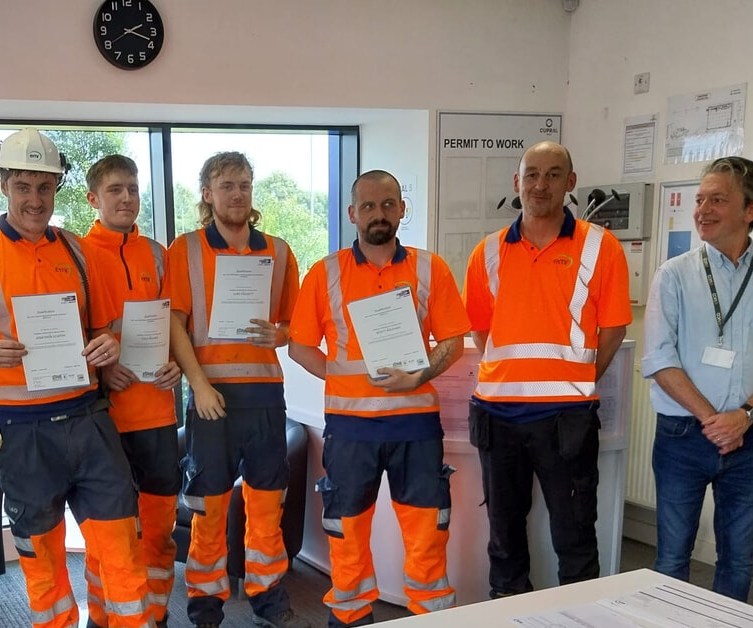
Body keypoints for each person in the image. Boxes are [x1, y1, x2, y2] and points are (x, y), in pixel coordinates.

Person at [0, 129, 152, 628]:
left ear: (57, 188)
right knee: (42, 555)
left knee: (120, 544)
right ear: (4, 185)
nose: (36, 200)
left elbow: (100, 328)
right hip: (21, 430)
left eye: (45, 187)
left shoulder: (77, 250)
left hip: (89, 419)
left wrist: (109, 345)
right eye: (24, 186)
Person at [288, 170, 469, 625]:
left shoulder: (431, 268)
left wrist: (419, 376)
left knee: (428, 533)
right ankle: (349, 616)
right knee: (346, 532)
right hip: (350, 428)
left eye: (388, 204)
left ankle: (430, 616)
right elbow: (299, 346)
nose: (378, 214)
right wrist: (342, 379)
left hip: (416, 427)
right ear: (352, 214)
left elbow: (453, 341)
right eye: (367, 206)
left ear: (402, 209)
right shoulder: (325, 272)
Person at [463, 141, 631, 597]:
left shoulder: (601, 247)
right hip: (498, 416)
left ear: (570, 184)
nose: (540, 184)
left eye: (554, 174)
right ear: (516, 183)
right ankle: (507, 614)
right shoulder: (488, 252)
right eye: (531, 174)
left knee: (574, 536)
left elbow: (614, 327)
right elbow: (482, 333)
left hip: (567, 419)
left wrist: (577, 379)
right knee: (503, 535)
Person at [641, 156, 753, 601]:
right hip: (683, 435)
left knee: (737, 557)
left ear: (751, 209)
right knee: (672, 557)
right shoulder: (673, 274)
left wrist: (744, 417)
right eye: (700, 199)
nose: (703, 210)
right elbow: (659, 358)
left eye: (718, 199)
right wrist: (716, 421)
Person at [165, 151, 308, 628]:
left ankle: (269, 598)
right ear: (207, 194)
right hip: (212, 398)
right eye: (226, 185)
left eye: (244, 184)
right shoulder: (184, 250)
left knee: (268, 506)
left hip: (265, 396)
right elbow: (175, 325)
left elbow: (294, 324)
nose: (237, 193)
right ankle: (206, 607)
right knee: (208, 508)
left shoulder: (279, 250)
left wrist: (281, 335)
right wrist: (198, 386)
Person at [82, 154, 182, 628]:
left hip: (158, 413)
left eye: (133, 189)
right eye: (116, 189)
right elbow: (63, 336)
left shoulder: (159, 254)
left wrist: (178, 364)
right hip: (102, 419)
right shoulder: (76, 255)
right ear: (93, 199)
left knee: (159, 531)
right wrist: (102, 372)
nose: (126, 198)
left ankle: (155, 615)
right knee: (112, 537)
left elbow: (176, 325)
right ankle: (104, 618)